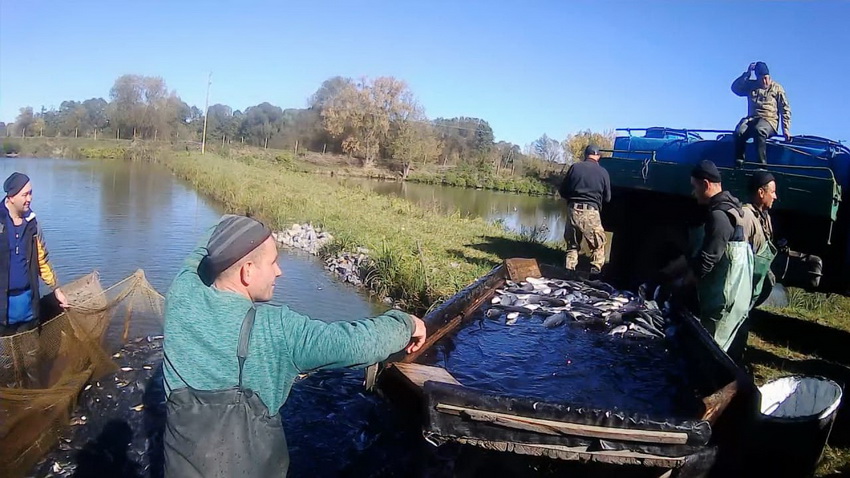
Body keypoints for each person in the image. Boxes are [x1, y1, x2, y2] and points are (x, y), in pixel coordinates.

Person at [162, 214, 427, 476]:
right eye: (273, 262)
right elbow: (355, 343)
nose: (279, 271)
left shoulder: (182, 292)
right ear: (247, 271)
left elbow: (201, 251)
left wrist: (230, 224)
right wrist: (406, 324)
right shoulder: (277, 329)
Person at [1, 172, 68, 336]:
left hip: (28, 309)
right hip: (3, 311)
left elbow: (42, 260)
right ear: (11, 197)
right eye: (25, 194)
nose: (29, 199)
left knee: (30, 349)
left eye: (30, 193)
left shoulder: (33, 224)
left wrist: (57, 290)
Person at [558, 144, 611, 276]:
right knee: (598, 245)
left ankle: (568, 272)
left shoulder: (575, 167)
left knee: (572, 246)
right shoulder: (603, 172)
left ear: (585, 155)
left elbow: (563, 191)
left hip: (573, 210)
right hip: (591, 211)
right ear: (598, 156)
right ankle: (594, 273)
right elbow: (608, 198)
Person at [731, 61, 792, 165]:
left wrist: (785, 129)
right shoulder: (751, 85)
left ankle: (761, 165)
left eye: (766, 78)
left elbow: (785, 109)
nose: (764, 81)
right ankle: (739, 161)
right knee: (740, 131)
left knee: (759, 130)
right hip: (752, 118)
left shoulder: (777, 88)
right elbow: (735, 88)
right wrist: (747, 74)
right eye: (761, 78)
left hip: (769, 121)